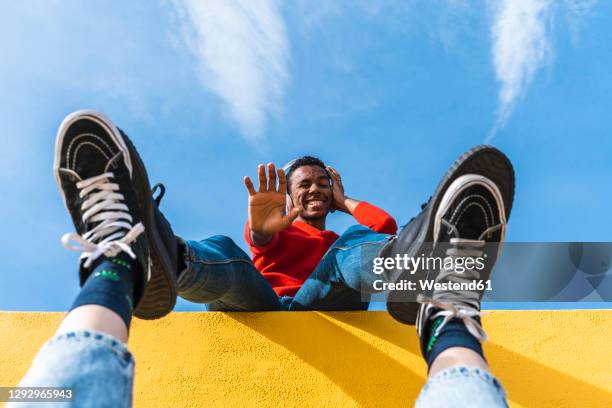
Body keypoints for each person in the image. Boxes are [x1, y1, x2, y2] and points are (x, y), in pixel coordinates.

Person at [9, 110, 514, 407]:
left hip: (329, 299)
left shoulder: (345, 239)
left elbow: (381, 229)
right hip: (263, 304)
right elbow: (256, 243)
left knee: (350, 249)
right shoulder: (277, 230)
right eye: (304, 186)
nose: (314, 190)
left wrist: (341, 201)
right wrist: (266, 226)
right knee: (228, 251)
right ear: (288, 195)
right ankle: (161, 258)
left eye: (322, 184)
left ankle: (415, 275)